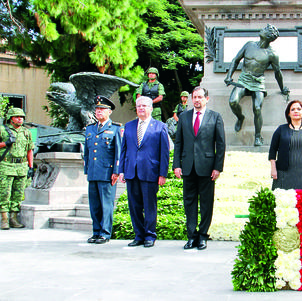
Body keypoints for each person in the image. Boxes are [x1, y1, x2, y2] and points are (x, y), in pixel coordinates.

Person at [173, 87, 225, 250]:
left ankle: (203, 235)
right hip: (188, 167)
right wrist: (177, 164)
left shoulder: (215, 117)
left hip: (207, 168)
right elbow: (179, 142)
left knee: (206, 203)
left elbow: (221, 144)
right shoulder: (184, 117)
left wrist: (218, 167)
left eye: (200, 97)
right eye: (194, 97)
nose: (197, 100)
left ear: (207, 99)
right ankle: (191, 236)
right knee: (189, 202)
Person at [224, 24, 289, 146]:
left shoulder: (272, 54)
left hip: (258, 82)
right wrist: (229, 75)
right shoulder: (249, 45)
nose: (261, 29)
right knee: (233, 102)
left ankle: (258, 137)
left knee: (257, 108)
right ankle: (240, 117)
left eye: (265, 29)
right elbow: (236, 60)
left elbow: (277, 73)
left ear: (269, 36)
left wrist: (282, 89)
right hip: (243, 80)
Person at [119, 96, 170, 248]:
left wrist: (163, 173)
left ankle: (149, 235)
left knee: (149, 206)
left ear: (151, 108)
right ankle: (139, 235)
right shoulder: (129, 126)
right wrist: (121, 170)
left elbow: (164, 153)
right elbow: (124, 150)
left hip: (150, 172)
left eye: (144, 106)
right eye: (139, 106)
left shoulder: (160, 126)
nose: (141, 108)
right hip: (131, 171)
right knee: (134, 206)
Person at [83, 96, 122, 244]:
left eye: (102, 109)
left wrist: (116, 171)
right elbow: (87, 151)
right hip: (93, 172)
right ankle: (96, 231)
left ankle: (105, 233)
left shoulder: (115, 128)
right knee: (95, 205)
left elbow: (118, 152)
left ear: (109, 112)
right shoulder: (90, 128)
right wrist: (87, 169)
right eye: (97, 109)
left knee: (106, 205)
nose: (99, 112)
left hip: (107, 173)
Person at [269, 100, 302, 192]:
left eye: (299, 109)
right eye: (292, 109)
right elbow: (273, 150)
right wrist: (273, 169)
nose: (296, 111)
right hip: (284, 174)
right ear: (289, 114)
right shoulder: (281, 129)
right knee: (283, 201)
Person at [0, 107, 34, 230]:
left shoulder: (26, 132)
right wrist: (5, 143)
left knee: (18, 194)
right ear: (10, 118)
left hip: (21, 166)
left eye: (22, 117)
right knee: (4, 193)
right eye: (17, 117)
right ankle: (4, 219)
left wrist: (31, 166)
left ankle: (13, 218)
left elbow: (30, 150)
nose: (20, 119)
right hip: (6, 165)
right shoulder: (2, 130)